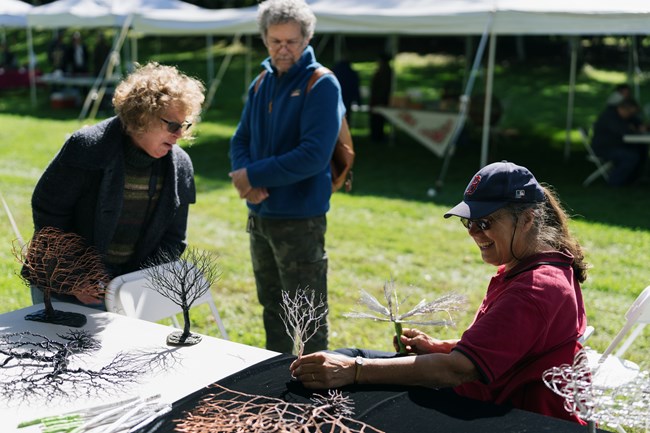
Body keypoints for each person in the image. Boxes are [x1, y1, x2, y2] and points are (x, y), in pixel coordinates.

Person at [291, 161, 589, 424]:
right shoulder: (543, 263)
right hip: (489, 400)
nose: (474, 232)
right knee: (341, 360)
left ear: (527, 219)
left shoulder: (536, 288)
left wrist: (354, 371)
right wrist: (441, 347)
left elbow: (458, 371)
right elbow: (510, 346)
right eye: (468, 222)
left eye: (484, 222)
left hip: (507, 417)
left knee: (344, 375)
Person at [29, 62, 205, 308]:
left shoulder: (181, 165)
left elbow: (174, 239)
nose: (179, 135)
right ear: (142, 115)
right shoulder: (87, 147)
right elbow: (49, 215)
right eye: (172, 125)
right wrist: (75, 277)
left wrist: (134, 284)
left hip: (127, 293)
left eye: (184, 125)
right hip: (65, 287)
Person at [229, 0, 344, 354]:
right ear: (264, 39)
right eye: (275, 41)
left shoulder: (322, 83)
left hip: (300, 220)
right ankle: (274, 388)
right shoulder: (261, 80)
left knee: (307, 318)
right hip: (260, 216)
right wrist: (246, 181)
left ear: (307, 39)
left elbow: (312, 156)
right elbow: (241, 138)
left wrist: (252, 174)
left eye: (292, 41)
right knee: (272, 310)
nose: (283, 49)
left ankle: (318, 398)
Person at [592, 98, 648, 186]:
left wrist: (638, 127)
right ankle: (615, 181)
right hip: (605, 148)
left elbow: (636, 123)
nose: (631, 115)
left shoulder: (625, 116)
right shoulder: (610, 116)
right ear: (623, 109)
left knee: (641, 149)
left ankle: (634, 178)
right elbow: (623, 132)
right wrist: (633, 129)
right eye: (630, 113)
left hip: (618, 145)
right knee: (631, 156)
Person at [369, 52, 392, 142]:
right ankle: (376, 136)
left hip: (379, 99)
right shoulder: (384, 70)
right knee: (377, 119)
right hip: (378, 99)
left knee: (378, 119)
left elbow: (382, 87)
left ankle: (377, 137)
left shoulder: (385, 71)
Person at [332, 58, 361, 124]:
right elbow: (355, 87)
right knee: (346, 118)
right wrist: (358, 100)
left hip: (338, 97)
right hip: (347, 98)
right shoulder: (351, 73)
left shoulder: (336, 71)